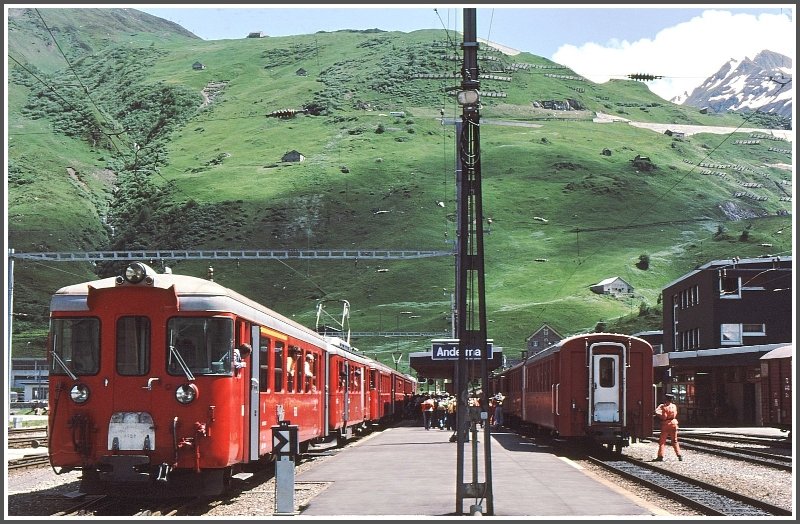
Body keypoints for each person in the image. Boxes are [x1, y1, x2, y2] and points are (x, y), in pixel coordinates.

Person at [654, 392, 682, 461]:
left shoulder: (663, 406)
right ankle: (679, 455)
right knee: (674, 440)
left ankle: (660, 456)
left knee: (662, 441)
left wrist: (658, 414)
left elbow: (663, 416)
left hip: (666, 424)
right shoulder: (674, 406)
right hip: (674, 423)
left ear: (665, 399)